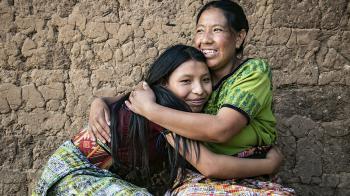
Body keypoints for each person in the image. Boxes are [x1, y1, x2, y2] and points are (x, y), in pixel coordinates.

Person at [89, 1, 295, 195]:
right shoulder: (172, 98)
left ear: (239, 37)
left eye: (217, 30)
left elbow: (222, 128)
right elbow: (134, 99)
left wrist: (149, 110)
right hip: (96, 173)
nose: (205, 39)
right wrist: (100, 102)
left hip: (238, 168)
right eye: (200, 30)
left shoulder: (251, 72)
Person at [34, 44, 283, 196]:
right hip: (73, 178)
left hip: (99, 175)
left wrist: (100, 100)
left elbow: (118, 100)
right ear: (164, 82)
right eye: (186, 81)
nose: (199, 90)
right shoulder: (164, 109)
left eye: (205, 80)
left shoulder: (154, 100)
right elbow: (210, 165)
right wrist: (269, 165)